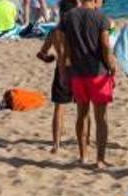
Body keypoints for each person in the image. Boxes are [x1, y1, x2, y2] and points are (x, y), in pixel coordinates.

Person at [58, 0, 116, 167]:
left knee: (82, 115)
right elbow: (105, 45)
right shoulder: (101, 17)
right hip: (98, 73)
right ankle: (100, 159)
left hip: (77, 73)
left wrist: (63, 71)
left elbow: (64, 48)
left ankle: (83, 156)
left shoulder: (68, 17)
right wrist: (111, 65)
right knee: (101, 118)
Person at [37, 0, 88, 153]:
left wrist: (49, 58)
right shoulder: (78, 30)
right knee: (83, 109)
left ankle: (56, 144)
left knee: (59, 108)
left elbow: (42, 53)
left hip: (61, 70)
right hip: (78, 69)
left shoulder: (54, 32)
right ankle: (87, 140)